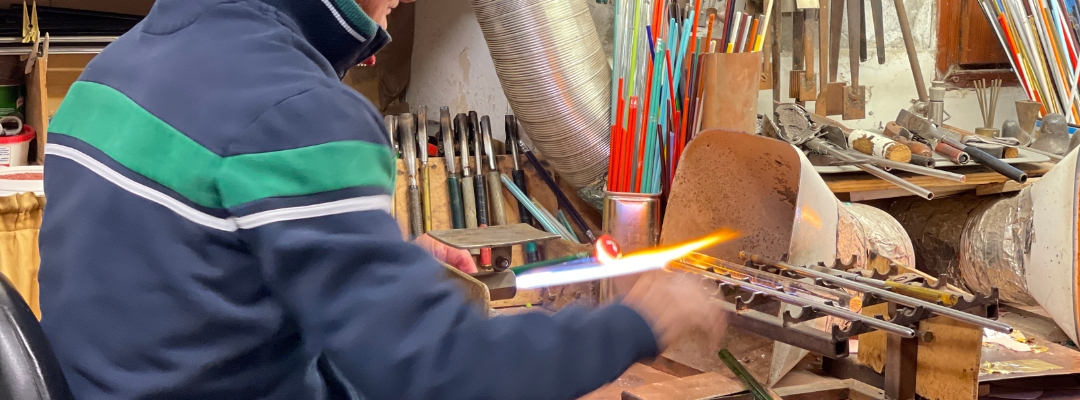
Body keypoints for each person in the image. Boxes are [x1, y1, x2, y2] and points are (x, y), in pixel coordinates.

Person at [37, 0, 726, 399]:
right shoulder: (296, 108)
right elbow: (438, 373)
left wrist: (376, 266)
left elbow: (193, 282)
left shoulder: (108, 73)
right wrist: (637, 320)